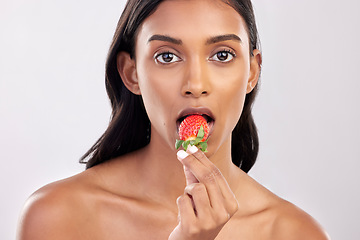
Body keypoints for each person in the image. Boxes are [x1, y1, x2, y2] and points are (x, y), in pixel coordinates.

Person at [17, 0, 330, 239]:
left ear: (252, 71)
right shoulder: (57, 218)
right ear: (131, 73)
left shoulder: (294, 233)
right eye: (167, 56)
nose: (195, 84)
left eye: (222, 55)